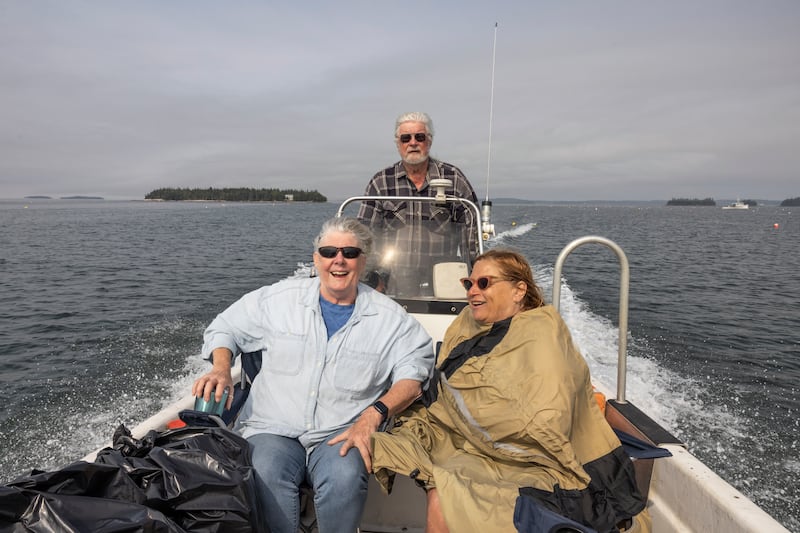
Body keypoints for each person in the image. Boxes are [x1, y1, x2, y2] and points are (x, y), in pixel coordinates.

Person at [370, 249, 650, 533]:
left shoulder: (541, 337)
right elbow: (453, 382)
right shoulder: (469, 322)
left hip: (529, 459)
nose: (472, 292)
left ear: (519, 291)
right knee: (387, 461)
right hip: (463, 439)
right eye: (469, 283)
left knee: (445, 499)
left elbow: (543, 417)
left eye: (484, 283)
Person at [192, 217, 435, 533]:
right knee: (263, 468)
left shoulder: (391, 320)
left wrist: (372, 417)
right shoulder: (278, 300)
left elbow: (413, 375)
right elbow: (225, 327)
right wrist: (222, 368)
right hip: (272, 427)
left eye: (349, 252)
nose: (339, 259)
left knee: (346, 475)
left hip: (341, 431)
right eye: (329, 251)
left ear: (363, 261)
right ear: (316, 258)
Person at [357, 111, 479, 297]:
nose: (412, 143)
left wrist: (477, 278)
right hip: (393, 284)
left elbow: (471, 238)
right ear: (398, 144)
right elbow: (364, 236)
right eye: (406, 138)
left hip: (444, 284)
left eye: (419, 137)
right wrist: (370, 278)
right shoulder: (380, 182)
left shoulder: (454, 178)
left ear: (429, 141)